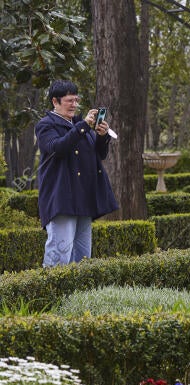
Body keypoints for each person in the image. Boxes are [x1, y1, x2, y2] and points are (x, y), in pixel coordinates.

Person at [35, 80, 118, 267]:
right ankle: (54, 293)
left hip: (84, 198)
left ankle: (78, 295)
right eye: (69, 101)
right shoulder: (46, 125)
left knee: (83, 256)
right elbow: (58, 148)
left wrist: (102, 137)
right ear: (55, 102)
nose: (74, 105)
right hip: (62, 198)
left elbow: (99, 155)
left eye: (76, 100)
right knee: (59, 253)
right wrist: (82, 127)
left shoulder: (80, 124)